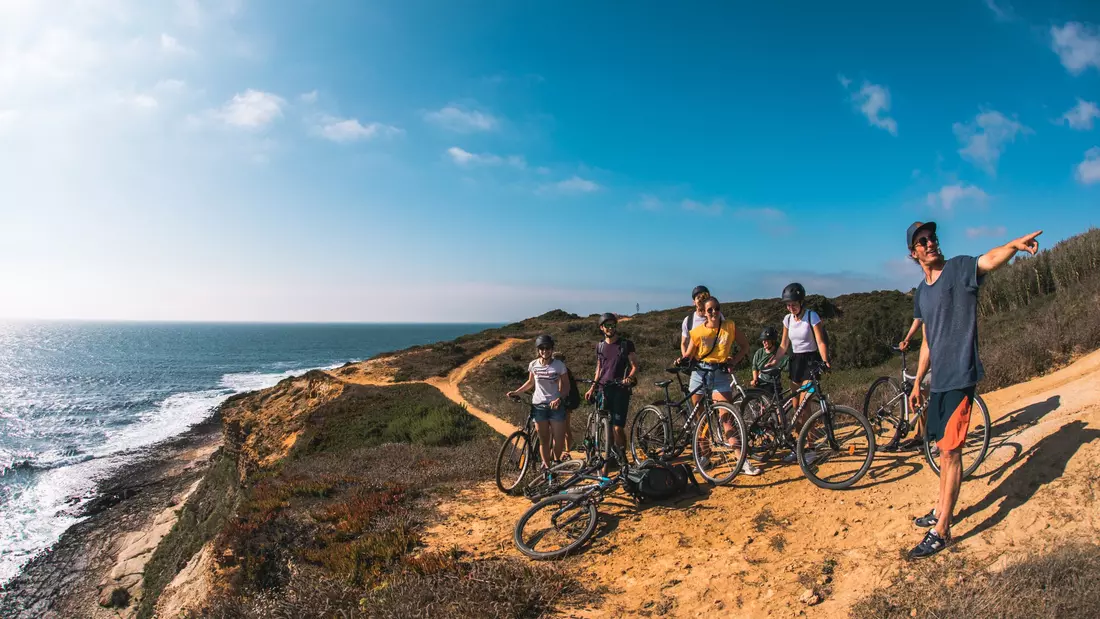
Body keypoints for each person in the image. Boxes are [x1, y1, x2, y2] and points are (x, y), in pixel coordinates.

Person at [905, 221, 1041, 559]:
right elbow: (928, 341)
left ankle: (942, 531)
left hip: (961, 376)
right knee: (942, 450)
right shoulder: (922, 292)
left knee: (951, 452)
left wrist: (1013, 245)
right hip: (938, 382)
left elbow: (989, 259)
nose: (930, 243)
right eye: (922, 241)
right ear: (914, 253)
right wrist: (918, 382)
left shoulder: (958, 268)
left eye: (932, 237)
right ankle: (940, 510)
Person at [676, 296, 761, 476]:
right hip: (700, 373)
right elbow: (689, 354)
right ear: (704, 313)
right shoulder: (698, 332)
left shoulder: (729, 326)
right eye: (710, 310)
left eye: (716, 308)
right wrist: (682, 360)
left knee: (727, 418)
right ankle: (705, 456)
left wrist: (734, 362)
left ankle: (741, 459)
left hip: (721, 374)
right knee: (701, 418)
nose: (714, 312)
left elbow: (745, 346)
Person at [768, 282, 830, 463]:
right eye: (788, 305)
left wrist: (825, 360)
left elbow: (820, 341)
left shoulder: (812, 316)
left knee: (805, 405)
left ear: (801, 302)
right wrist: (774, 360)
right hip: (795, 363)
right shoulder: (787, 320)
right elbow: (783, 345)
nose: (790, 307)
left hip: (810, 362)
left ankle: (811, 448)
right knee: (796, 408)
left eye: (793, 304)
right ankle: (799, 446)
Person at [506, 334, 571, 476]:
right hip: (539, 406)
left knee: (558, 439)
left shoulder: (559, 365)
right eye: (542, 348)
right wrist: (517, 392)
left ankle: (556, 461)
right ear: (538, 350)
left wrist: (559, 398)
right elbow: (530, 383)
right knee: (543, 440)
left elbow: (566, 386)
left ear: (552, 349)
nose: (545, 351)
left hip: (556, 407)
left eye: (547, 348)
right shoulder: (533, 365)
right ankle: (547, 469)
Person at [584, 313, 638, 468]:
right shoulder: (600, 346)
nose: (610, 328)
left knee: (617, 427)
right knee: (605, 426)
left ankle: (622, 457)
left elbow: (634, 365)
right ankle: (610, 456)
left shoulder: (626, 344)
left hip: (620, 389)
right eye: (607, 325)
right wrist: (592, 387)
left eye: (612, 325)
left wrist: (629, 377)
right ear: (602, 328)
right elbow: (599, 368)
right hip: (603, 389)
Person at [681, 285, 718, 357]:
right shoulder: (688, 321)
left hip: (715, 362)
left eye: (704, 297)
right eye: (698, 297)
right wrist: (685, 358)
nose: (701, 300)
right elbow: (684, 343)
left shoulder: (717, 316)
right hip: (695, 363)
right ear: (694, 302)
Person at [751, 326, 788, 393]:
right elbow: (754, 367)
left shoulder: (779, 354)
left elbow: (787, 365)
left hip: (774, 384)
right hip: (761, 383)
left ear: (773, 341)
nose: (764, 342)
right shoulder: (759, 352)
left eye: (766, 340)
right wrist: (755, 379)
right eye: (763, 340)